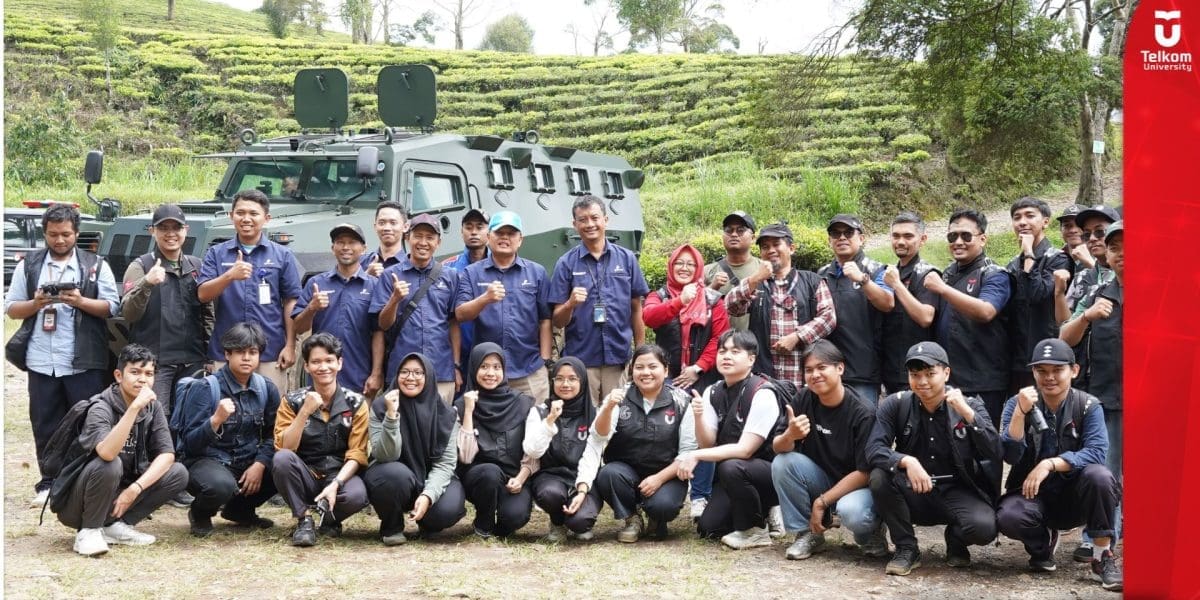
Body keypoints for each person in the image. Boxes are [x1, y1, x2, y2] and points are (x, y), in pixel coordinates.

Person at [5, 203, 121, 507]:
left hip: (85, 360)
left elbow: (112, 307)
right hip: (42, 359)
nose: (59, 240)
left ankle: (85, 481)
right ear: (45, 233)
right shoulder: (29, 266)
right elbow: (12, 308)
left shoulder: (95, 265)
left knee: (89, 423)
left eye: (66, 234)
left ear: (76, 234)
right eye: (53, 234)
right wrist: (37, 303)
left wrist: (80, 300)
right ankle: (48, 482)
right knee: (45, 424)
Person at [996, 339, 1122, 592]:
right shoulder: (1017, 402)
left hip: (1077, 496)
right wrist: (1021, 413)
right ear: (1033, 372)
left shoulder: (1088, 405)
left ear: (1073, 371)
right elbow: (1010, 455)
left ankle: (1101, 555)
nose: (1049, 377)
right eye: (1041, 371)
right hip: (1033, 495)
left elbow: (1097, 452)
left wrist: (1052, 464)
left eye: (1057, 370)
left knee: (1101, 477)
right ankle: (1042, 543)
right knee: (1009, 516)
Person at [867, 342, 1001, 576]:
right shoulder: (895, 404)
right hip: (913, 489)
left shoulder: (969, 404)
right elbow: (873, 449)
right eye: (915, 375)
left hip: (957, 490)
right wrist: (906, 461)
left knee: (984, 528)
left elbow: (995, 451)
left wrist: (967, 413)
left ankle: (956, 539)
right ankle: (906, 548)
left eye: (930, 374)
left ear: (946, 373)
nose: (922, 382)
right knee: (880, 476)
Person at [55, 344, 189, 556]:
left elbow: (167, 455)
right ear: (119, 375)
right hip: (78, 505)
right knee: (110, 463)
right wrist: (134, 408)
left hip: (119, 493)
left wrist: (135, 488)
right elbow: (107, 453)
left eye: (149, 374)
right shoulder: (101, 407)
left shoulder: (153, 407)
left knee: (177, 472)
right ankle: (88, 532)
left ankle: (114, 526)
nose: (142, 379)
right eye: (135, 372)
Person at [770, 340, 885, 561]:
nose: (815, 375)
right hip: (820, 478)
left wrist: (822, 501)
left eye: (822, 367)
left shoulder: (863, 412)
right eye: (809, 370)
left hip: (856, 486)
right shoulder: (804, 398)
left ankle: (871, 532)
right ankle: (807, 534)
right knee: (783, 462)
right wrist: (789, 436)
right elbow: (777, 447)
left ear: (840, 368)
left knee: (853, 512)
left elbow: (865, 472)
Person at [643, 243, 730, 519]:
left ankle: (700, 495)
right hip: (665, 378)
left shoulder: (713, 299)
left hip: (701, 378)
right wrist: (679, 302)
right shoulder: (658, 295)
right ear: (671, 266)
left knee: (704, 435)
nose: (684, 268)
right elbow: (649, 317)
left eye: (690, 264)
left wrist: (699, 367)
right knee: (662, 434)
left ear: (699, 269)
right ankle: (662, 487)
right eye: (679, 263)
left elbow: (720, 337)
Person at [175, 323, 280, 536]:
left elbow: (274, 434)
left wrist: (260, 464)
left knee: (282, 467)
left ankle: (240, 510)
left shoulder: (266, 388)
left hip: (247, 460)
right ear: (227, 354)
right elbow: (190, 444)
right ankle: (200, 512)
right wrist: (215, 421)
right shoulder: (205, 388)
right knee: (221, 485)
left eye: (253, 352)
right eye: (240, 352)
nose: (247, 358)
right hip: (207, 461)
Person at [583, 345, 697, 542]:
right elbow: (599, 435)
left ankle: (656, 518)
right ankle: (631, 518)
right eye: (639, 367)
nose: (646, 373)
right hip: (625, 473)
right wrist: (608, 407)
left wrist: (659, 479)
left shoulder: (681, 401)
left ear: (666, 370)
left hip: (667, 473)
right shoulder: (619, 397)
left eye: (653, 366)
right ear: (631, 370)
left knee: (663, 507)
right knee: (608, 474)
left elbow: (688, 451)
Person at [681, 331, 783, 549]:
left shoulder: (762, 392)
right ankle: (759, 511)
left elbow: (745, 450)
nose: (726, 356)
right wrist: (698, 416)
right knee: (709, 528)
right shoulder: (713, 391)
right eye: (722, 351)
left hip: (771, 475)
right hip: (735, 476)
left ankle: (757, 526)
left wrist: (695, 455)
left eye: (735, 352)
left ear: (751, 359)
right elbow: (707, 443)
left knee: (732, 466)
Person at [1060, 220, 1124, 562]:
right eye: (1115, 248)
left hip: (1159, 402)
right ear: (1108, 257)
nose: (1123, 254)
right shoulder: (1097, 294)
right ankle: (1100, 542)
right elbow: (1064, 338)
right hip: (1108, 399)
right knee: (1107, 474)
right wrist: (1087, 318)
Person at [198, 189, 303, 395]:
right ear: (231, 216)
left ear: (266, 218)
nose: (246, 219)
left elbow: (291, 301)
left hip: (270, 349)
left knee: (271, 412)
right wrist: (230, 276)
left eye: (253, 213)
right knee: (226, 410)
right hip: (227, 350)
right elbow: (203, 294)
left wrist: (290, 345)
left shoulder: (283, 255)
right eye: (240, 213)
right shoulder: (216, 253)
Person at [549, 195, 650, 406]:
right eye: (582, 220)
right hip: (583, 360)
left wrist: (641, 352)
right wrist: (570, 304)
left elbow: (636, 308)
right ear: (574, 225)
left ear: (605, 220)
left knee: (618, 419)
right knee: (587, 421)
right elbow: (557, 321)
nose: (590, 224)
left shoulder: (627, 258)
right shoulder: (565, 264)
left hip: (618, 357)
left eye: (594, 218)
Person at [271, 333, 370, 547]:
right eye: (316, 362)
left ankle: (329, 519)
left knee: (357, 495)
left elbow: (357, 453)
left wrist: (336, 483)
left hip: (339, 474)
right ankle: (304, 519)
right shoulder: (292, 401)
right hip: (306, 474)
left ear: (339, 363)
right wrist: (304, 412)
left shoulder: (356, 403)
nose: (323, 367)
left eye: (329, 360)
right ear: (306, 367)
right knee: (282, 460)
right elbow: (284, 447)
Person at [121, 203, 213, 421]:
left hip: (193, 360)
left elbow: (208, 314)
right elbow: (128, 314)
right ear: (153, 231)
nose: (170, 234)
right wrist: (147, 283)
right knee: (154, 418)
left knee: (193, 416)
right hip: (155, 363)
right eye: (163, 228)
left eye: (176, 228)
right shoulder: (140, 267)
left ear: (186, 230)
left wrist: (210, 353)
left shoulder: (197, 266)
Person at [362, 353, 466, 545]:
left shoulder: (446, 414)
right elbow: (385, 455)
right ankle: (391, 526)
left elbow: (445, 465)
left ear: (429, 378)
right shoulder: (380, 406)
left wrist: (428, 495)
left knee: (447, 509)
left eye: (418, 373)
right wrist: (392, 416)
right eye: (405, 372)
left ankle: (428, 522)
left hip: (430, 477)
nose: (411, 378)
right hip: (394, 478)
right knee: (393, 474)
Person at [924, 209, 1011, 430]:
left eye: (966, 236)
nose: (958, 242)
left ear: (983, 239)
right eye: (952, 236)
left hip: (983, 380)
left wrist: (943, 289)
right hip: (948, 378)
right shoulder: (948, 273)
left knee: (983, 444)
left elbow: (985, 311)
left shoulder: (994, 274)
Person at [454, 211, 552, 401]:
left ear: (520, 239)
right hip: (486, 372)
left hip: (529, 369)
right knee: (485, 427)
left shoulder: (536, 273)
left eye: (511, 234)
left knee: (536, 427)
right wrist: (485, 299)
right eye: (499, 233)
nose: (505, 238)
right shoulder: (471, 273)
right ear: (489, 237)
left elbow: (545, 320)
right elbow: (460, 314)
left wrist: (545, 360)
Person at [725, 222, 836, 385]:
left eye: (776, 244)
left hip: (805, 378)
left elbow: (829, 317)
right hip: (764, 378)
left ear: (791, 248)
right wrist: (755, 279)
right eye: (765, 247)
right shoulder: (756, 283)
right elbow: (731, 307)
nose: (770, 250)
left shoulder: (812, 281)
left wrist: (797, 336)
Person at [370, 213, 461, 404]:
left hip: (441, 371)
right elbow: (383, 325)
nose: (423, 242)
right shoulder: (390, 276)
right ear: (407, 238)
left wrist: (456, 365)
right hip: (401, 372)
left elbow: (453, 323)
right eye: (418, 236)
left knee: (440, 430)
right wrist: (394, 299)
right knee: (400, 429)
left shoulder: (450, 276)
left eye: (430, 237)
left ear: (438, 242)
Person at [455, 343, 537, 538]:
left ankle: (500, 527)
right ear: (473, 368)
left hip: (514, 478)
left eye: (496, 367)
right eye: (483, 367)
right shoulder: (462, 405)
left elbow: (532, 451)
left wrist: (521, 478)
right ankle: (484, 523)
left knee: (514, 517)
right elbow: (465, 457)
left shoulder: (522, 403)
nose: (490, 373)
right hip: (479, 478)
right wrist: (468, 410)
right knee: (489, 472)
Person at [292, 223, 384, 398]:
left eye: (352, 242)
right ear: (332, 248)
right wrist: (312, 308)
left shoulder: (374, 286)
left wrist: (376, 373)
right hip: (321, 377)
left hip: (359, 377)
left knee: (357, 425)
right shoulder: (316, 283)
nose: (346, 247)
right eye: (340, 242)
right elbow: (299, 327)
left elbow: (379, 332)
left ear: (363, 249)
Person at [522, 357, 604, 542]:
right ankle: (557, 522)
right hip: (551, 476)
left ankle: (576, 519)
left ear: (582, 381)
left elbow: (592, 457)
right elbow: (533, 451)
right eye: (559, 379)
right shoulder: (540, 411)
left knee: (580, 523)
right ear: (552, 381)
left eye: (572, 379)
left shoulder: (594, 414)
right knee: (550, 494)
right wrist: (550, 420)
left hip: (583, 478)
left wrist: (582, 490)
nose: (565, 384)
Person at [817, 214, 895, 404]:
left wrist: (862, 279)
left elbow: (887, 303)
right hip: (827, 369)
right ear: (829, 241)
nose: (842, 237)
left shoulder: (877, 270)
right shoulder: (821, 274)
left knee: (865, 430)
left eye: (848, 232)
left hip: (863, 373)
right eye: (836, 233)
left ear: (861, 238)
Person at [1005, 197, 1071, 393]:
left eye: (1029, 216)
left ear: (1045, 221)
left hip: (1046, 354)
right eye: (1017, 217)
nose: (1022, 222)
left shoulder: (1058, 258)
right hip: (1015, 356)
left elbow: (1037, 294)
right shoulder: (1012, 264)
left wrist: (1028, 252)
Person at [880, 212, 939, 395]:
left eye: (908, 236)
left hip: (920, 370)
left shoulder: (928, 274)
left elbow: (925, 317)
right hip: (889, 368)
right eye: (896, 236)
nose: (900, 241)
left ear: (922, 239)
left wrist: (897, 285)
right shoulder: (888, 272)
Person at [443, 208, 491, 368]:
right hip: (456, 355)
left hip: (492, 355)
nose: (474, 232)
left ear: (489, 232)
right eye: (469, 227)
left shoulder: (501, 266)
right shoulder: (447, 268)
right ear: (461, 231)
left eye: (479, 227)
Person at [702, 211, 765, 332]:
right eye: (729, 230)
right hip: (718, 345)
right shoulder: (707, 271)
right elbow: (694, 308)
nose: (734, 234)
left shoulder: (763, 269)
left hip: (756, 345)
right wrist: (712, 287)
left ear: (752, 238)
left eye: (740, 230)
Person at [1055, 205, 1117, 326]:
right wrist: (1059, 293)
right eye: (1087, 234)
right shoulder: (1081, 277)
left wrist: (1090, 263)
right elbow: (1065, 325)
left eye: (1099, 232)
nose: (1092, 238)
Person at [360, 201, 408, 276]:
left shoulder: (411, 266)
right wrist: (366, 276)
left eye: (393, 223)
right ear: (375, 227)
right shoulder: (360, 262)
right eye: (382, 223)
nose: (387, 228)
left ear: (405, 227)